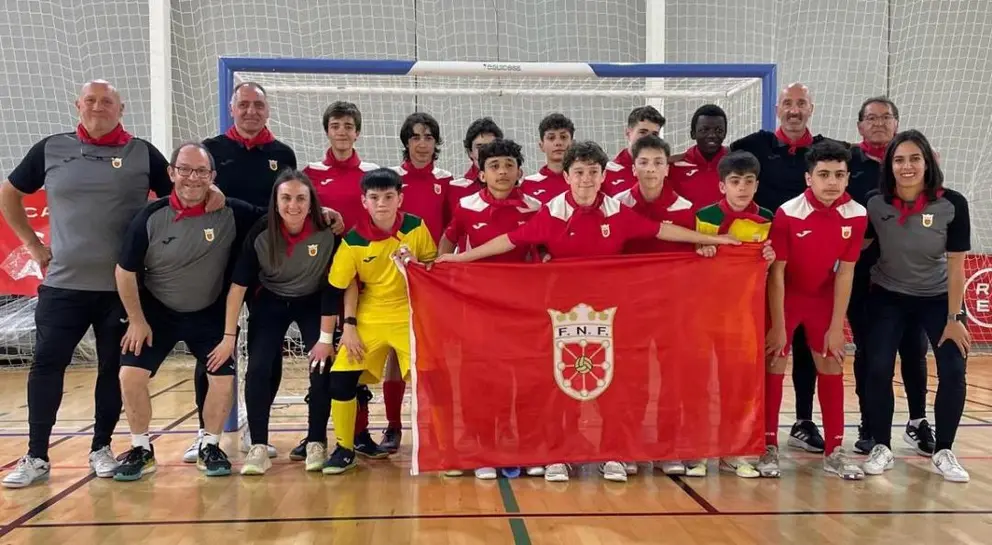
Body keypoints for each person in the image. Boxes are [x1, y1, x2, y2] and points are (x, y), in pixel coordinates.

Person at [436, 140, 738, 483]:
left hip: (609, 315)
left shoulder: (616, 211)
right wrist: (459, 258)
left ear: (602, 176)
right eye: (578, 172)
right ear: (566, 176)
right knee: (558, 384)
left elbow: (661, 231)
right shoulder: (551, 213)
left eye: (593, 173)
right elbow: (510, 240)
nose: (585, 180)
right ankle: (557, 453)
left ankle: (613, 451)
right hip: (560, 316)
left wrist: (710, 240)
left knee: (612, 383)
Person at [0, 80, 203, 488]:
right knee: (46, 367)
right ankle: (37, 454)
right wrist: (32, 244)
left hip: (122, 291)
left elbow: (181, 198)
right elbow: (9, 193)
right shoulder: (51, 148)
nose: (98, 107)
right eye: (91, 100)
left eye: (106, 101)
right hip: (62, 287)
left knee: (113, 369)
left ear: (120, 108)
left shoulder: (142, 153)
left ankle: (101, 447)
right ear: (78, 105)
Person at [111, 143, 263, 481]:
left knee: (222, 378)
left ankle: (210, 444)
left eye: (201, 172)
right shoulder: (150, 216)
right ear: (171, 173)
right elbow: (124, 271)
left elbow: (276, 216)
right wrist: (136, 320)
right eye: (185, 170)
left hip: (209, 314)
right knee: (129, 376)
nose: (192, 178)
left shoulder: (231, 212)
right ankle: (141, 448)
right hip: (156, 314)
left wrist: (325, 214)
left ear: (213, 176)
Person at [207, 170, 345, 475]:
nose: (292, 205)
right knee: (258, 366)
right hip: (270, 300)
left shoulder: (328, 232)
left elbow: (338, 284)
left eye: (300, 198)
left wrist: (331, 335)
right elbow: (238, 288)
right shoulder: (260, 233)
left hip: (314, 300)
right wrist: (229, 336)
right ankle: (258, 445)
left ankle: (317, 441)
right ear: (275, 201)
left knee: (321, 364)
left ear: (312, 203)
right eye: (286, 198)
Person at [191, 81, 298, 463]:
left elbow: (289, 206)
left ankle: (259, 428)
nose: (251, 111)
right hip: (217, 265)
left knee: (265, 351)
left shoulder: (282, 153)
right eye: (244, 105)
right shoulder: (212, 151)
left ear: (267, 111)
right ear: (232, 108)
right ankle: (206, 433)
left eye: (258, 105)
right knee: (214, 350)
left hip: (267, 268)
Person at [861, 130, 971, 483]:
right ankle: (881, 446)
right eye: (898, 160)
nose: (906, 166)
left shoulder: (952, 203)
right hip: (889, 295)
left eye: (914, 159)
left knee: (953, 369)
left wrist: (954, 318)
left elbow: (956, 266)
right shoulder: (875, 204)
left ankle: (944, 450)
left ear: (927, 163)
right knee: (877, 367)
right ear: (889, 165)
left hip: (938, 298)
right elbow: (855, 248)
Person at [730, 82, 829, 453]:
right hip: (758, 267)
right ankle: (750, 421)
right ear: (776, 109)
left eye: (801, 103)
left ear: (811, 109)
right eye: (787, 103)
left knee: (804, 345)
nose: (794, 110)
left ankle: (803, 420)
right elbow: (718, 167)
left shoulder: (824, 153)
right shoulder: (750, 146)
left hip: (809, 267)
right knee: (757, 345)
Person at [321, 168, 438, 475]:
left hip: (409, 313)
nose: (382, 203)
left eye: (389, 197)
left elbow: (432, 268)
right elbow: (335, 287)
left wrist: (415, 264)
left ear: (400, 198)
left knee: (430, 378)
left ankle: (438, 445)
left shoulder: (416, 227)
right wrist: (347, 327)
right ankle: (345, 447)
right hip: (369, 315)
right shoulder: (353, 241)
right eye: (374, 197)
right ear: (364, 201)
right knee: (341, 377)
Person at [763, 140, 868, 480]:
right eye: (823, 174)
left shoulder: (857, 214)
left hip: (823, 299)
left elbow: (847, 271)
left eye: (839, 174)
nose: (831, 182)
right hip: (786, 298)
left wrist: (838, 326)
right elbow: (776, 272)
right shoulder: (787, 212)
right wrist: (778, 325)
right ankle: (767, 447)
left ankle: (834, 450)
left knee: (832, 362)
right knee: (775, 359)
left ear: (848, 177)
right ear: (809, 178)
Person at [440, 139, 543, 479]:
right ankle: (484, 448)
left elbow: (546, 250)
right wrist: (443, 274)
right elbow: (448, 242)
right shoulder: (466, 206)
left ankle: (521, 447)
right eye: (494, 165)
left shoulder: (534, 207)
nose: (502, 171)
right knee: (482, 377)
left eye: (509, 164)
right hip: (479, 307)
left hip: (521, 309)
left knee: (522, 378)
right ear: (482, 173)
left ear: (519, 171)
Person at [672, 151, 775, 479]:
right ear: (722, 185)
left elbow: (770, 270)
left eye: (748, 182)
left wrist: (768, 261)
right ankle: (697, 450)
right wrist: (700, 252)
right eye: (735, 182)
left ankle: (736, 451)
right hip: (703, 315)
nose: (742, 188)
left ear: (757, 185)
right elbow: (688, 260)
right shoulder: (705, 217)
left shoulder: (767, 219)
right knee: (699, 385)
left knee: (739, 385)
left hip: (743, 316)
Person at [296, 101, 381, 461]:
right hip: (321, 280)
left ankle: (359, 434)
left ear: (357, 132)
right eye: (336, 125)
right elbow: (296, 216)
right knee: (321, 357)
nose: (342, 131)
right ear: (327, 130)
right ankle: (315, 434)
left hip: (364, 282)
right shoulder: (310, 174)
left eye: (348, 125)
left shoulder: (373, 173)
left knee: (355, 359)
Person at [846, 97, 931, 456]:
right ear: (860, 126)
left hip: (912, 278)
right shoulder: (849, 162)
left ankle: (917, 421)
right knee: (870, 353)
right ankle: (870, 422)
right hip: (864, 278)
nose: (879, 123)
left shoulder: (915, 165)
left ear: (897, 123)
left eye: (886, 117)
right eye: (871, 118)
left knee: (914, 349)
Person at [614, 134, 696, 253]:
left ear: (667, 169)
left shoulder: (685, 208)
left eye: (658, 163)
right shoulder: (617, 204)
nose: (650, 169)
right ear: (634, 169)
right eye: (643, 163)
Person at [667, 104, 729, 209]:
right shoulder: (673, 165)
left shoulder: (735, 165)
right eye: (704, 130)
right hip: (683, 225)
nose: (712, 135)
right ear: (693, 133)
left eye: (719, 131)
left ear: (725, 133)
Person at [446, 117, 505, 217]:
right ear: (470, 152)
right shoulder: (454, 188)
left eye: (491, 146)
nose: (486, 151)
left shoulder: (513, 186)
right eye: (479, 147)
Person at [602, 106, 665, 196]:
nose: (649, 138)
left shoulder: (665, 170)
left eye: (654, 134)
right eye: (643, 132)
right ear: (628, 133)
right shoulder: (606, 172)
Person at [519, 113, 574, 203]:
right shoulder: (528, 184)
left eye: (563, 137)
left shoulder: (584, 181)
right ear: (541, 146)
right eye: (551, 138)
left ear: (572, 143)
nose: (558, 142)